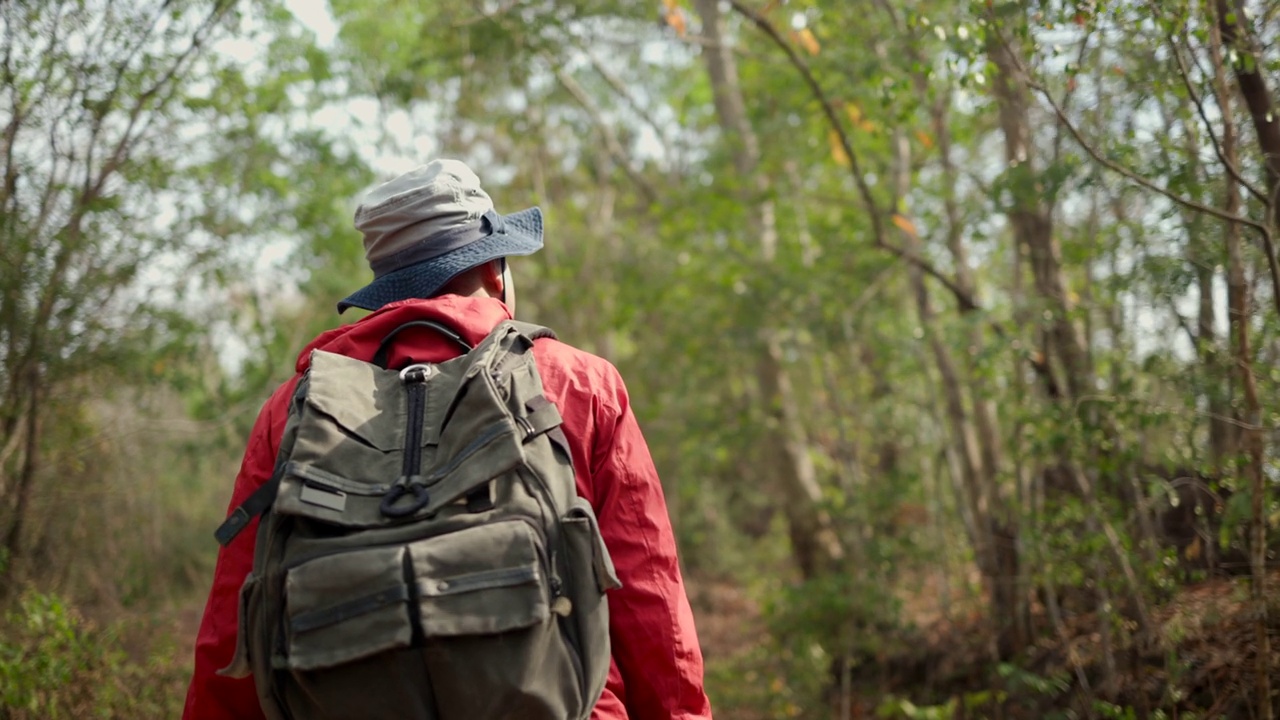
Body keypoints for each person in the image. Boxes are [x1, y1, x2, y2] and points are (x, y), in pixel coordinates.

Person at [182, 159, 714, 720]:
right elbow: (652, 602)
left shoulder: (293, 410)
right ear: (494, 270)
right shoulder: (577, 384)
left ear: (384, 286)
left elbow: (233, 627)